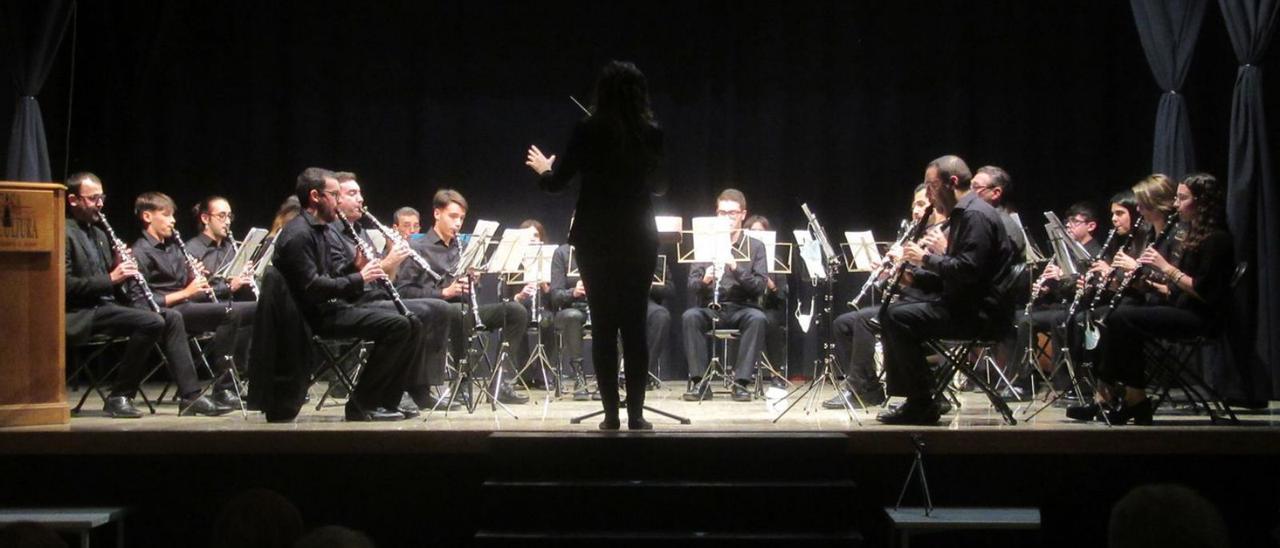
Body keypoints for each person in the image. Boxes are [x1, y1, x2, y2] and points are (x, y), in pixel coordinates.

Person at [525, 60, 666, 430]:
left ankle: (610, 418)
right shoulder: (651, 131)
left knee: (604, 325)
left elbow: (558, 184)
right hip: (638, 235)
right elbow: (662, 186)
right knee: (634, 325)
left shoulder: (588, 128)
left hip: (596, 235)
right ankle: (636, 415)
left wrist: (543, 171)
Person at [1067, 174, 1233, 425]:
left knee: (1121, 316)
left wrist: (1164, 268)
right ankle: (1123, 398)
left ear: (1202, 202)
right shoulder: (1192, 235)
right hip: (1178, 306)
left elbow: (1204, 292)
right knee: (1117, 314)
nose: (1176, 204)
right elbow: (1170, 289)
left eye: (1182, 198)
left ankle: (1131, 399)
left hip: (1200, 317)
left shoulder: (1216, 239)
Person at [63, 173, 228, 418]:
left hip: (107, 307)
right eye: (93, 198)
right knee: (152, 320)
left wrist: (123, 268)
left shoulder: (98, 235)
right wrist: (112, 278)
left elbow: (118, 287)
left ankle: (190, 396)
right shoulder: (62, 232)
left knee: (170, 318)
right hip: (81, 313)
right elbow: (65, 286)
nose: (100, 204)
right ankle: (120, 394)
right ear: (73, 200)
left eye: (102, 198)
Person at [876, 155, 1018, 425]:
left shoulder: (975, 216)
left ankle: (921, 402)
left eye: (931, 186)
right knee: (892, 312)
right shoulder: (964, 214)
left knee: (896, 317)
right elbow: (955, 275)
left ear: (952, 182)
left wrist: (925, 259)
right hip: (965, 305)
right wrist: (913, 278)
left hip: (980, 315)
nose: (928, 194)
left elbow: (968, 272)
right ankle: (923, 397)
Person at [273, 167, 416, 421]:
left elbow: (330, 276)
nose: (339, 201)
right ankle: (362, 405)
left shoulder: (320, 229)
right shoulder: (298, 234)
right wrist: (359, 277)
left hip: (330, 308)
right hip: (312, 318)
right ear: (316, 196)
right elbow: (313, 288)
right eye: (334, 195)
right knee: (397, 326)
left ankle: (386, 401)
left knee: (411, 323)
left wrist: (354, 268)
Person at [330, 172, 454, 413]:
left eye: (360, 193)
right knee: (415, 317)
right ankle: (403, 390)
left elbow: (386, 278)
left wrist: (396, 260)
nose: (360, 199)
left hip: (375, 297)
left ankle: (412, 388)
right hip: (353, 303)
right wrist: (387, 262)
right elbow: (348, 279)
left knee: (436, 309)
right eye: (352, 193)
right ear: (336, 199)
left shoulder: (358, 230)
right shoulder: (332, 233)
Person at [394, 189, 530, 405]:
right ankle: (461, 383)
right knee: (457, 312)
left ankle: (500, 382)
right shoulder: (416, 247)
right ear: (437, 214)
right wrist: (444, 292)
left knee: (516, 311)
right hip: (433, 311)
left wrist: (473, 278)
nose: (458, 223)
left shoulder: (463, 247)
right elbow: (403, 291)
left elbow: (468, 287)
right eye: (453, 216)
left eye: (461, 218)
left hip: (463, 310)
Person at [130, 191, 255, 409]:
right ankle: (216, 390)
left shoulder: (173, 249)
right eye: (167, 215)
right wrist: (187, 291)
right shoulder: (140, 251)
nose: (173, 221)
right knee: (228, 312)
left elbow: (190, 287)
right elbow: (142, 302)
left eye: (173, 215)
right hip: (168, 310)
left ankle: (236, 383)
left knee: (248, 310)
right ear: (147, 217)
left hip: (186, 307)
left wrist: (194, 276)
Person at [825, 184, 944, 409]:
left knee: (863, 319)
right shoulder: (915, 237)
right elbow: (898, 284)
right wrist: (888, 272)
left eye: (921, 205)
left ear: (934, 205)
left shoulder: (937, 236)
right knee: (843, 323)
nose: (916, 211)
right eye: (913, 207)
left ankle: (858, 389)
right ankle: (869, 388)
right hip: (906, 301)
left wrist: (904, 267)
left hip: (925, 304)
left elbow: (934, 277)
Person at [680, 189, 770, 403]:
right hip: (711, 306)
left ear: (743, 215)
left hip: (742, 307)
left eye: (732, 213)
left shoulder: (755, 246)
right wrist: (705, 280)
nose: (727, 218)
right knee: (690, 317)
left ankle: (741, 383)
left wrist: (736, 267)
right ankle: (700, 382)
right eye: (722, 213)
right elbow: (692, 285)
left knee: (758, 319)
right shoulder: (704, 243)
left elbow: (759, 286)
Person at [186, 195, 258, 302]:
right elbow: (195, 294)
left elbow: (238, 285)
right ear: (205, 218)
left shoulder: (231, 248)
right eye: (222, 216)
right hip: (207, 308)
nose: (228, 222)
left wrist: (245, 276)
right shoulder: (191, 249)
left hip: (233, 305)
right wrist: (229, 287)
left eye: (229, 216)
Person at [743, 214, 789, 383]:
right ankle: (740, 374)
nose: (756, 235)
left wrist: (770, 284)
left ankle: (776, 372)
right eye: (752, 231)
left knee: (770, 322)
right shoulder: (740, 259)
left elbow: (782, 296)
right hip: (745, 305)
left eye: (760, 232)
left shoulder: (777, 261)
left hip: (768, 306)